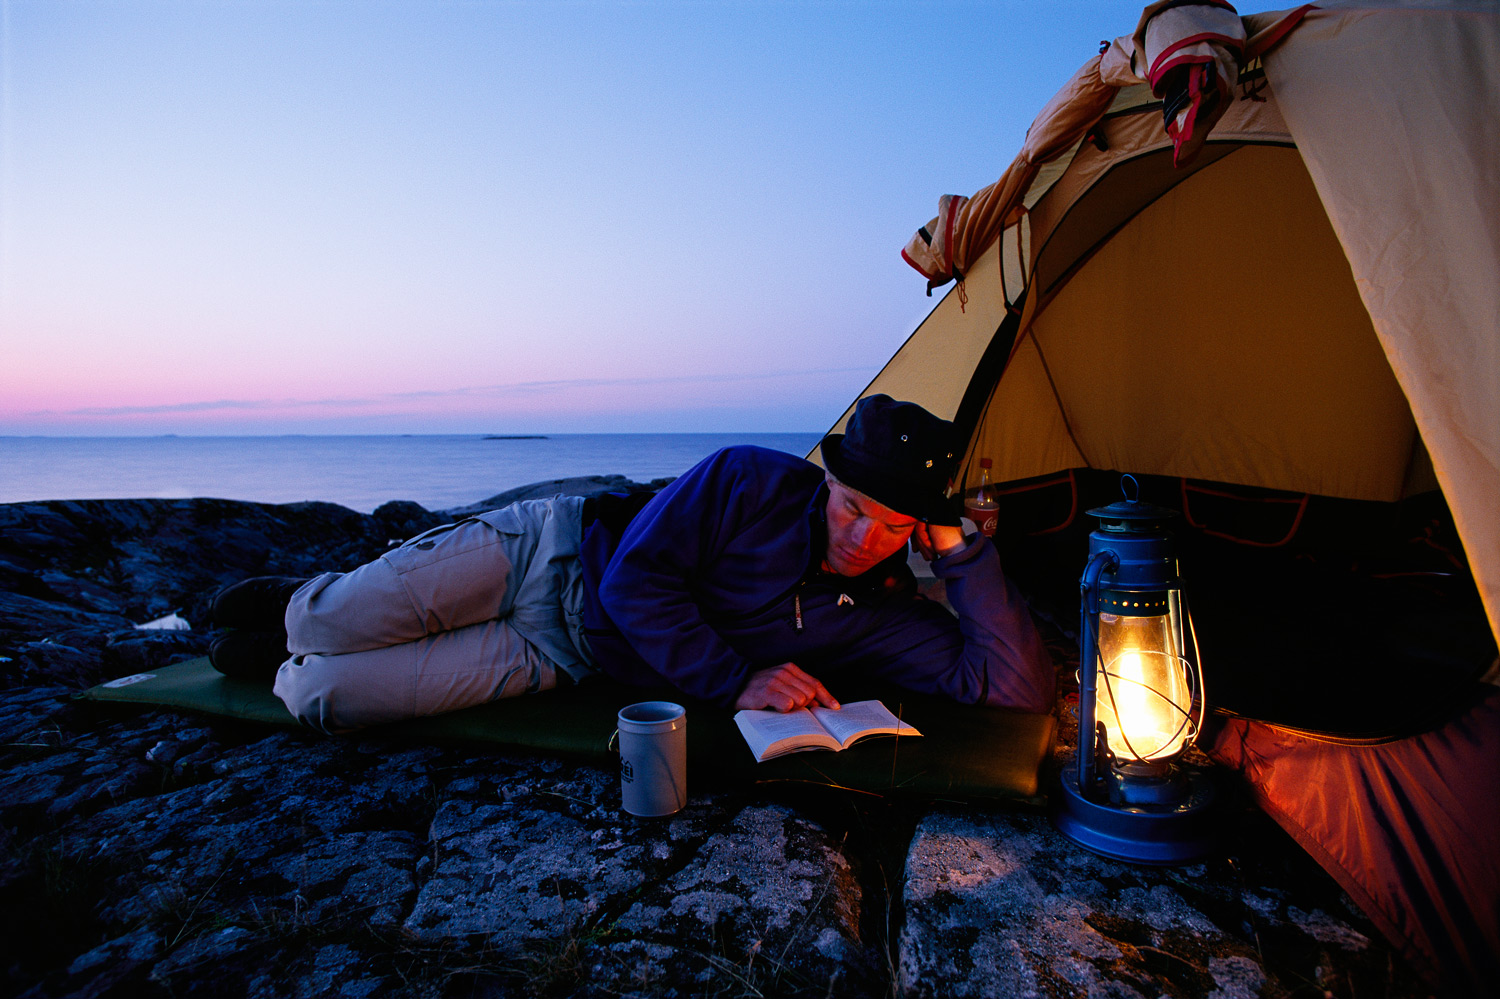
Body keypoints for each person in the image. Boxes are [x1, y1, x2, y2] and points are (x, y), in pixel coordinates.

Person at [210, 395, 1054, 733]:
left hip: (564, 654)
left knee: (325, 696)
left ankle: (285, 661)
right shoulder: (749, 478)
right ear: (827, 479)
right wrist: (736, 680)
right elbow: (633, 581)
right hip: (549, 554)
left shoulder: (885, 609)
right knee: (329, 620)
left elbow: (1013, 686)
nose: (864, 534)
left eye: (893, 524)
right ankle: (299, 605)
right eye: (852, 507)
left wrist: (961, 549)